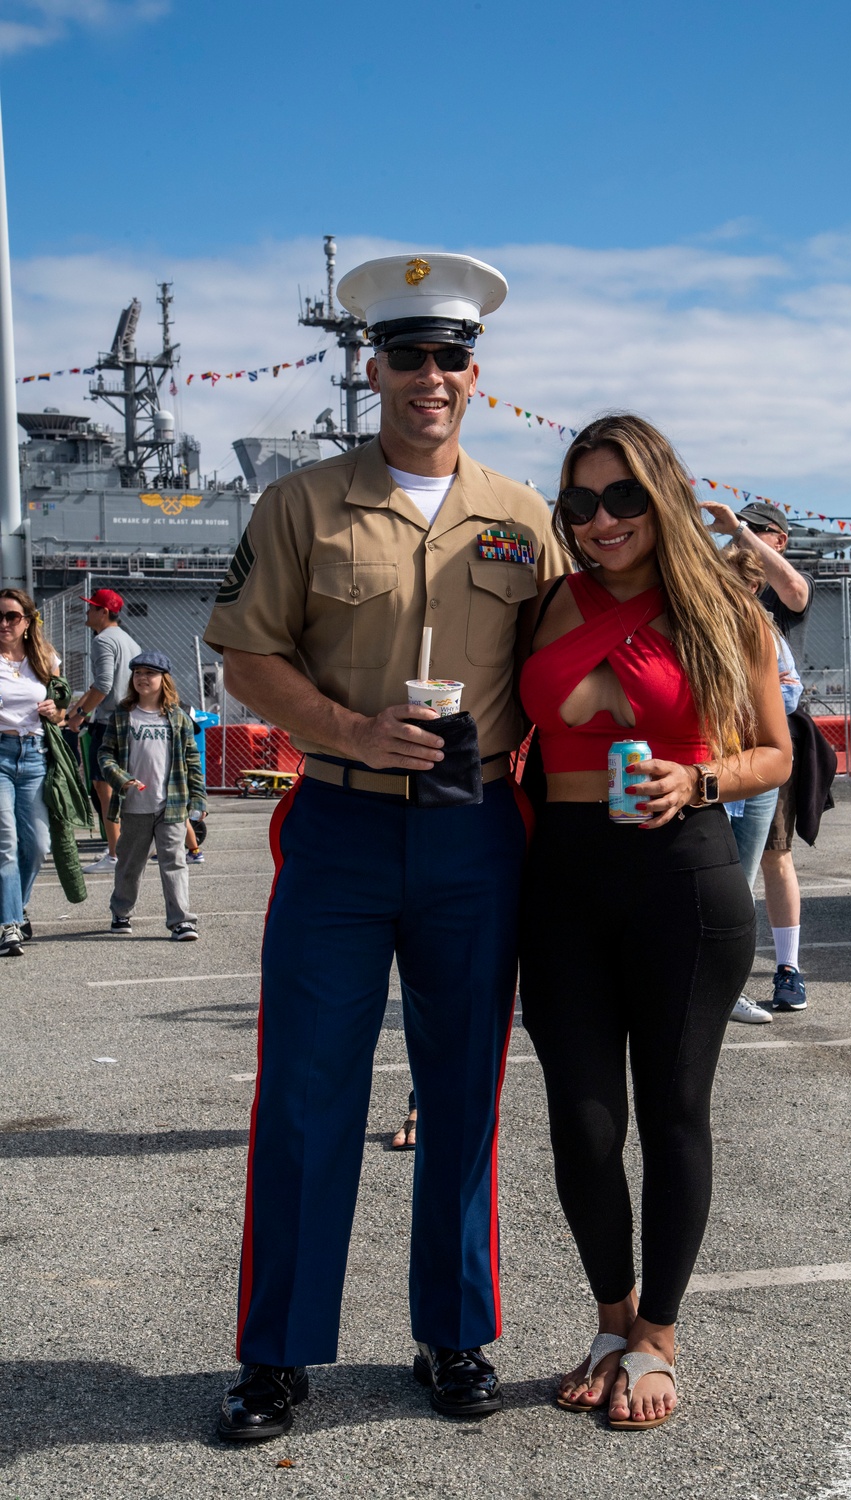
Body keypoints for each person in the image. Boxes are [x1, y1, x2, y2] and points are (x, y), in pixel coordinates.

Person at [203, 252, 565, 1441]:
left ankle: (451, 1333)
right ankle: (277, 1354)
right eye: (408, 355)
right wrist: (353, 728)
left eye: (450, 357)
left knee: (464, 1089)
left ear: (475, 373)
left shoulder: (523, 519)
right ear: (374, 368)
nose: (430, 376)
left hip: (478, 834)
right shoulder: (299, 504)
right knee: (306, 1095)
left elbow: (570, 668)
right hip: (345, 827)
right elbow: (247, 657)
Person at [518, 416, 791, 1430]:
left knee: (673, 1112)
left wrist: (701, 773)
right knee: (583, 1124)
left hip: (683, 873)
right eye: (581, 502)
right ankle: (610, 1317)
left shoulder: (722, 608)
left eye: (622, 497)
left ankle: (661, 1334)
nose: (600, 521)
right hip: (562, 879)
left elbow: (775, 752)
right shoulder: (547, 603)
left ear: (662, 495)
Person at [702, 499, 813, 1011]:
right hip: (726, 751)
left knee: (776, 857)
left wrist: (741, 532)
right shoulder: (723, 594)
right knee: (727, 869)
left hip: (771, 747)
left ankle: (787, 967)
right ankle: (721, 981)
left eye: (759, 530)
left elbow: (794, 591)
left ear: (778, 539)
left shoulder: (779, 597)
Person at [720, 546, 800, 1024]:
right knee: (717, 883)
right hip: (718, 764)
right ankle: (713, 985)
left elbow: (791, 692)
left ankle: (728, 989)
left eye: (740, 583)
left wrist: (751, 703)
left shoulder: (766, 630)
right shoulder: (702, 625)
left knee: (740, 884)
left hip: (759, 768)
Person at [97, 651, 206, 941]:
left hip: (171, 804)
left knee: (174, 861)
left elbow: (192, 759)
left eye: (150, 673)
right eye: (138, 673)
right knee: (130, 863)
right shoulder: (123, 715)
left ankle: (181, 921)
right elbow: (105, 754)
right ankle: (121, 911)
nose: (143, 678)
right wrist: (120, 779)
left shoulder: (179, 717)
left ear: (163, 679)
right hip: (134, 806)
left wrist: (198, 798)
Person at [0, 589, 66, 957]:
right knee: (5, 843)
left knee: (38, 846)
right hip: (0, 753)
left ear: (27, 621)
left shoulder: (45, 657)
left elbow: (61, 712)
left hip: (35, 756)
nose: (4, 623)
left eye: (11, 616)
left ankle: (13, 906)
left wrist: (54, 710)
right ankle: (9, 924)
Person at [64, 589, 142, 874]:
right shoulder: (128, 640)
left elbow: (104, 684)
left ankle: (115, 854)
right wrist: (75, 712)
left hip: (109, 723)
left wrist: (80, 715)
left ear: (104, 612)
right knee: (127, 785)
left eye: (92, 607)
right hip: (129, 720)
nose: (87, 612)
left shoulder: (103, 640)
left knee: (103, 786)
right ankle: (124, 846)